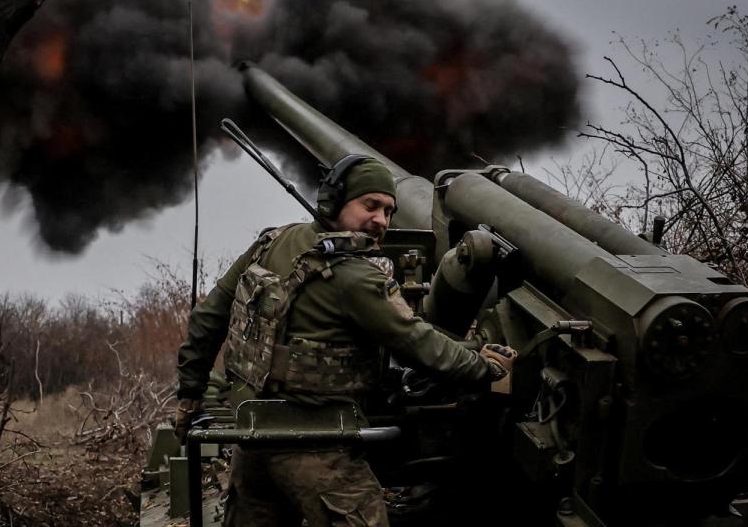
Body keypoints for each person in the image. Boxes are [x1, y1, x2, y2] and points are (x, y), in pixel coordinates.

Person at [174, 154, 516, 527]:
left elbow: (209, 318)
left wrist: (190, 392)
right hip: (318, 449)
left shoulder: (271, 243)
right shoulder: (356, 277)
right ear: (333, 203)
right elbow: (420, 345)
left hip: (253, 438)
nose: (381, 221)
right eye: (370, 206)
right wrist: (486, 366)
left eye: (388, 211)